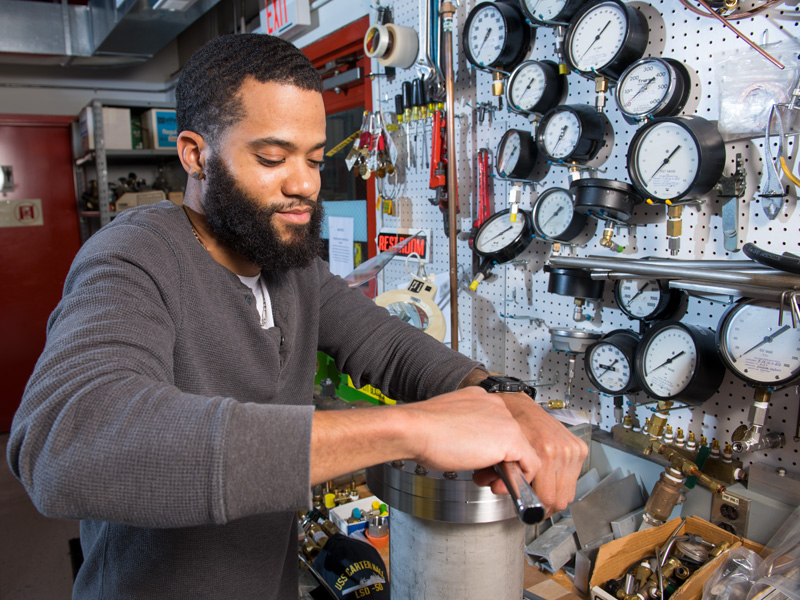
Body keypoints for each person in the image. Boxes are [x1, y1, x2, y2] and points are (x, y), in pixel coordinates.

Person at [7, 33, 587, 599]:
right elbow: (67, 442)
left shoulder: (291, 265)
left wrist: (503, 395)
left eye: (313, 158)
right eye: (271, 157)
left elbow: (389, 347)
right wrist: (414, 428)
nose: (305, 183)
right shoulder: (135, 257)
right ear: (195, 154)